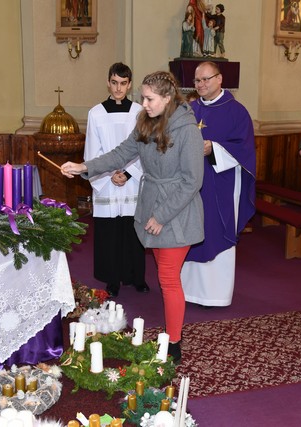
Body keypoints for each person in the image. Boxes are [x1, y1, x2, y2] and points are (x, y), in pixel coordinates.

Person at [61, 71, 204, 362]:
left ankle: (174, 342)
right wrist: (83, 167)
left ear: (167, 98)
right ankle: (172, 333)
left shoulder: (187, 130)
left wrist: (161, 216)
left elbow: (192, 182)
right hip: (152, 203)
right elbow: (120, 154)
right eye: (143, 98)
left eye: (150, 99)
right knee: (165, 276)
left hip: (177, 211)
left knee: (168, 279)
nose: (144, 104)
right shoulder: (145, 121)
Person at [181, 61, 256, 308]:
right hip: (191, 184)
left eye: (206, 79)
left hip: (221, 184)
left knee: (215, 229)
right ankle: (187, 290)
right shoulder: (189, 109)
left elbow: (244, 149)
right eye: (197, 80)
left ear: (220, 79)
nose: (201, 84)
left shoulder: (237, 112)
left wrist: (213, 148)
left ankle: (215, 295)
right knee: (191, 229)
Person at [84, 63, 148, 297]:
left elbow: (144, 148)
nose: (118, 88)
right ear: (108, 83)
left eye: (123, 83)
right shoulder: (96, 113)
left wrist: (129, 173)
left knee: (133, 232)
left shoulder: (140, 112)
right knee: (110, 234)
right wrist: (109, 174)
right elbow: (93, 150)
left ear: (129, 85)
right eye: (114, 83)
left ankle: (137, 277)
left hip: (133, 181)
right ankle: (112, 280)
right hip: (107, 182)